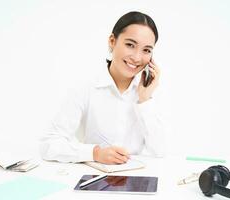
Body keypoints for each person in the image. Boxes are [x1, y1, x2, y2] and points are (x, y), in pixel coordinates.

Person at [40, 11, 165, 165]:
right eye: (130, 45)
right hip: (93, 178)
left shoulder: (149, 92)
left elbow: (159, 152)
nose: (137, 57)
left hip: (137, 180)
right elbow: (49, 144)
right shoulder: (86, 87)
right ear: (112, 41)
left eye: (146, 50)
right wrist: (95, 153)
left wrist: (145, 100)